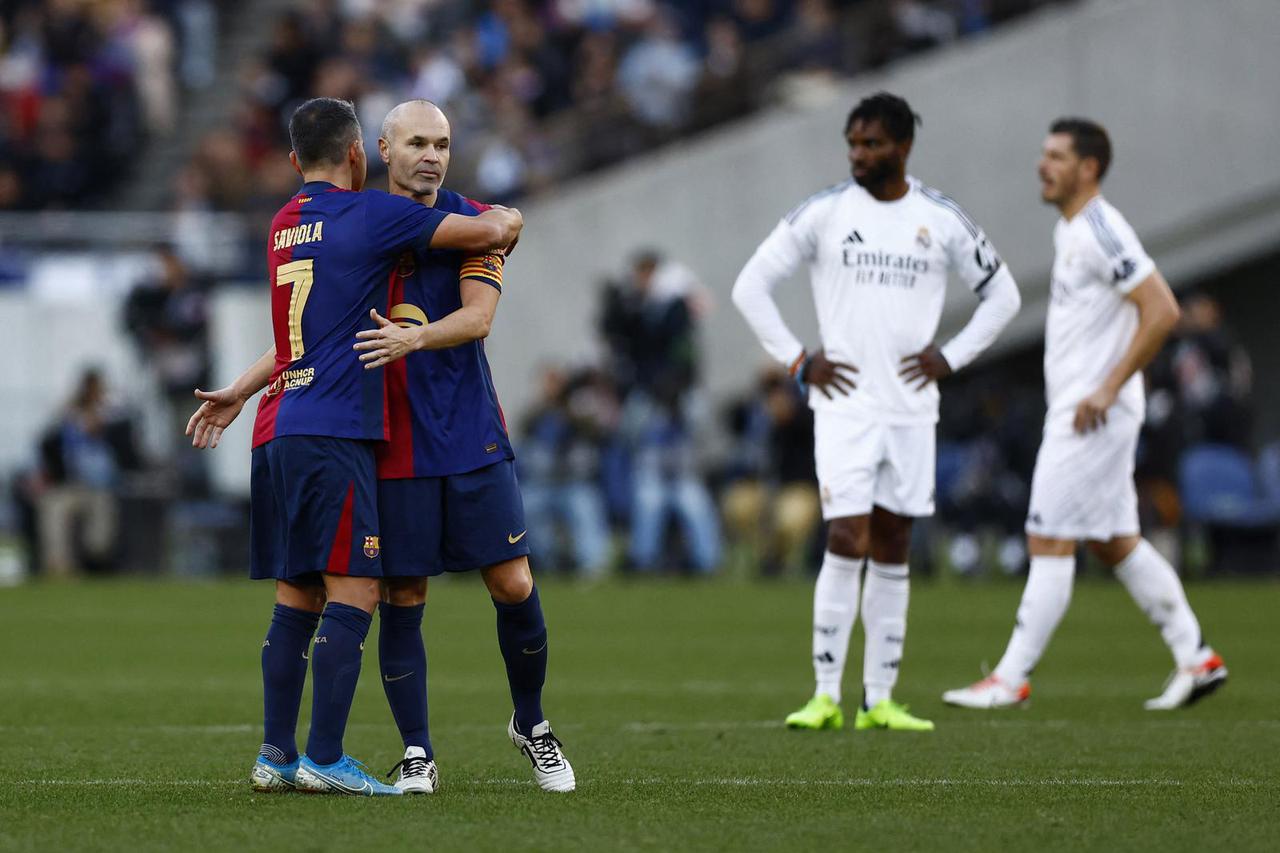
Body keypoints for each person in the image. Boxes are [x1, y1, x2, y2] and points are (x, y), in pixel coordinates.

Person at [184, 96, 522, 796]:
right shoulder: (372, 214)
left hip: (276, 423)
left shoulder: (282, 225)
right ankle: (325, 756)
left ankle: (274, 754)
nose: (430, 156)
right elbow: (488, 227)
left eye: (440, 143)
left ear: (290, 161)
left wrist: (242, 391)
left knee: (296, 594)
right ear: (363, 156)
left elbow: (296, 336)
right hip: (334, 429)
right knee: (361, 587)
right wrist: (512, 218)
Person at [732, 92, 1021, 732]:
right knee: (846, 535)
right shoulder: (826, 212)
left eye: (872, 144)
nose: (860, 155)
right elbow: (749, 285)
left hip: (913, 409)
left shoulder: (940, 217)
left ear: (903, 147)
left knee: (894, 543)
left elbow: (1003, 295)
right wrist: (800, 361)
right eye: (853, 143)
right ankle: (825, 694)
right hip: (844, 408)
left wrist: (951, 356)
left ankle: (880, 699)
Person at [943, 119, 1227, 711]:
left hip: (1090, 414)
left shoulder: (1101, 228)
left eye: (1056, 156)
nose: (1043, 165)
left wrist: (1106, 387)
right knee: (1115, 542)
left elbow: (1162, 309)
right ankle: (1196, 658)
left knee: (1046, 535)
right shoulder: (1071, 231)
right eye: (1043, 154)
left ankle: (1010, 679)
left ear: (1088, 167)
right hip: (1089, 409)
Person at [351, 99, 575, 793]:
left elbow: (478, 318)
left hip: (471, 433)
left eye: (442, 143)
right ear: (383, 150)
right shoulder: (355, 229)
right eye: (416, 141)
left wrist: (414, 335)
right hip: (393, 444)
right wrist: (248, 384)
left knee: (513, 582)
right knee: (404, 593)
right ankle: (418, 751)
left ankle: (532, 724)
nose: (431, 155)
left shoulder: (477, 224)